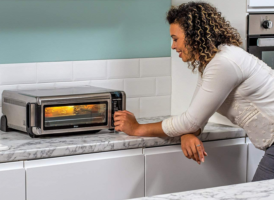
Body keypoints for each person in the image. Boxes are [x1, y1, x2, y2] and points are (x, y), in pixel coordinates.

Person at [113, 2, 274, 182]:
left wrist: (137, 129)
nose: (173, 46)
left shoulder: (223, 63)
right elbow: (197, 115)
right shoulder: (213, 62)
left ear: (193, 37)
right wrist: (188, 132)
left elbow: (191, 120)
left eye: (175, 38)